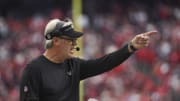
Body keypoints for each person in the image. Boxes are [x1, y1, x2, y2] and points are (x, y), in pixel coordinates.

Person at [19, 18, 157, 101]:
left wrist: (131, 47)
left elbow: (104, 63)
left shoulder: (73, 65)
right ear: (56, 41)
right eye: (71, 40)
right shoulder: (34, 70)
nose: (74, 44)